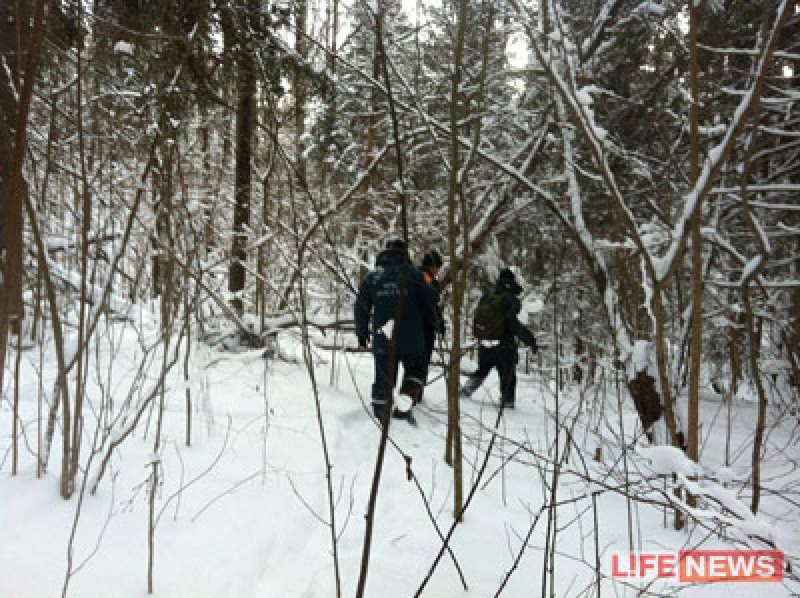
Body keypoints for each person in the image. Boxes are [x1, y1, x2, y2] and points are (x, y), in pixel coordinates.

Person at [354, 239, 440, 422]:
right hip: (413, 338)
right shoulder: (414, 274)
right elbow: (432, 300)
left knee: (383, 375)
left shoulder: (373, 277)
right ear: (404, 254)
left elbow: (360, 307)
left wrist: (361, 333)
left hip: (384, 337)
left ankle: (380, 415)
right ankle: (404, 405)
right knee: (416, 370)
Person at [460, 268, 538, 410]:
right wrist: (530, 340)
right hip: (503, 347)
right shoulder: (507, 299)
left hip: (485, 343)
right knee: (508, 375)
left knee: (481, 371)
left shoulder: (488, 295)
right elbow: (513, 325)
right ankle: (507, 403)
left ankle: (465, 392)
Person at [419, 249, 445, 402]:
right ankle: (415, 394)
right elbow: (431, 306)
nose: (438, 271)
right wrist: (438, 323)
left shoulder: (413, 276)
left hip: (416, 326)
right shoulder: (427, 280)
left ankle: (412, 394)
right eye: (437, 268)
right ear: (432, 266)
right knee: (421, 363)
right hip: (425, 328)